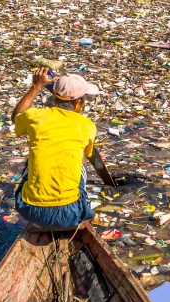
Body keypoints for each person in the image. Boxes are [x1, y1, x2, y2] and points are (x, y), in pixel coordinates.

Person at [10, 68, 100, 229]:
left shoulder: (35, 117)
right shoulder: (87, 126)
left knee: (30, 164)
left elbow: (16, 117)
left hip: (29, 210)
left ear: (54, 96)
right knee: (81, 162)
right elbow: (87, 157)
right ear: (80, 102)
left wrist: (36, 87)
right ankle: (77, 215)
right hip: (70, 213)